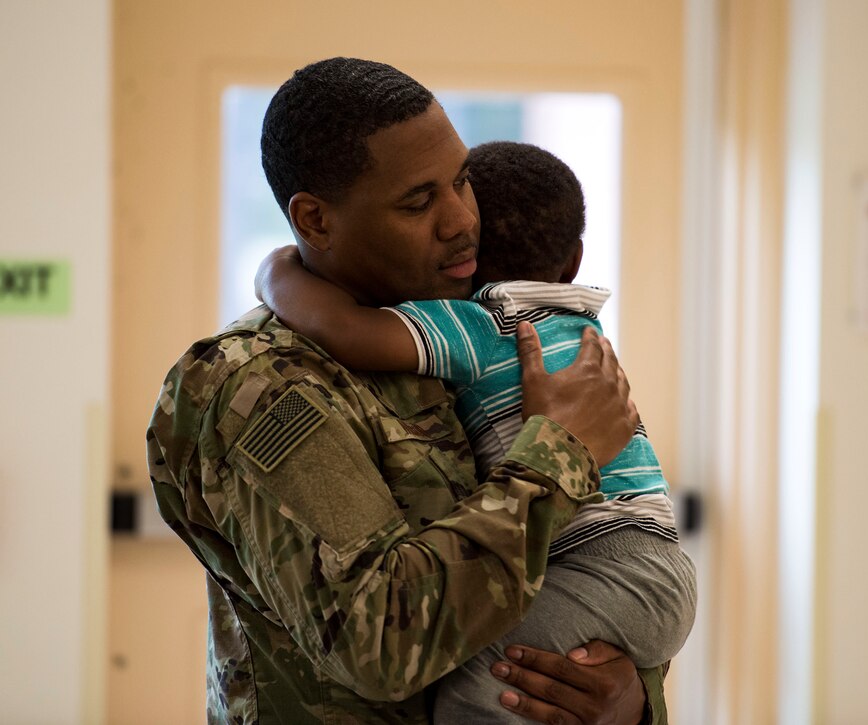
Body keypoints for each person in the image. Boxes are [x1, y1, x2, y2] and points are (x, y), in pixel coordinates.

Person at [146, 57, 668, 724]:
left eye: (462, 182)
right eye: (419, 201)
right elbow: (380, 640)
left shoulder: (469, 331)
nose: (461, 221)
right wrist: (557, 457)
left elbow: (593, 558)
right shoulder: (263, 383)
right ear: (315, 221)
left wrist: (625, 693)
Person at [256, 140, 697, 722]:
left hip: (600, 560)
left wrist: (274, 271)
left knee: (479, 693)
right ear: (573, 263)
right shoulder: (583, 326)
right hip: (652, 557)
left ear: (467, 260)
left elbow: (341, 327)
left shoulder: (483, 326)